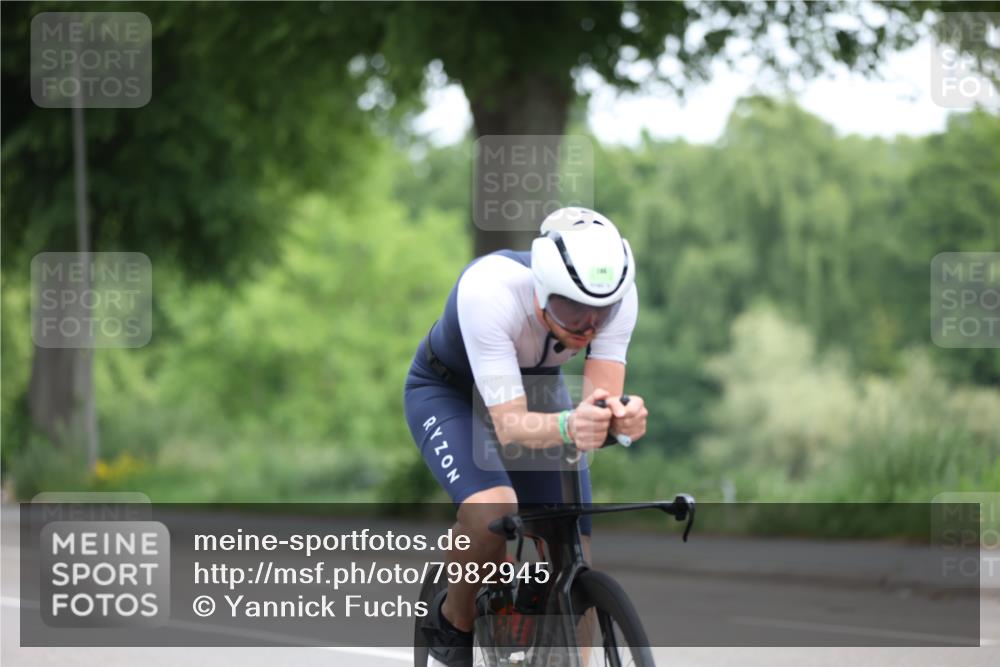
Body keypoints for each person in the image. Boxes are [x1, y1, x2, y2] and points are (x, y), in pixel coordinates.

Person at [404, 207, 648, 666]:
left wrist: (621, 418)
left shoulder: (616, 296)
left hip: (534, 389)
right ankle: (451, 624)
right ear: (541, 289)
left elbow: (597, 406)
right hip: (451, 392)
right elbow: (510, 425)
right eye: (571, 309)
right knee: (492, 510)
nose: (587, 328)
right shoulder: (489, 291)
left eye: (601, 312)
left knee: (573, 540)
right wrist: (567, 426)